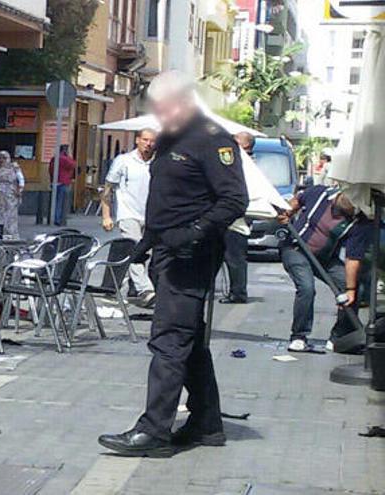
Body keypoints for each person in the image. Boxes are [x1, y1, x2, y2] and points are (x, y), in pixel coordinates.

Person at [98, 71, 248, 457]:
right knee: (190, 342)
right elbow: (166, 198)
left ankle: (154, 431)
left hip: (191, 255)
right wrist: (148, 242)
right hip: (165, 250)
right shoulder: (170, 139)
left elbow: (234, 200)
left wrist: (194, 232)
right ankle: (206, 424)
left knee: (169, 340)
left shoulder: (212, 140)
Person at [277, 185, 372, 353]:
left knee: (353, 289)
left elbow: (352, 258)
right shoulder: (319, 193)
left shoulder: (359, 222)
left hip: (325, 259)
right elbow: (297, 200)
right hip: (295, 249)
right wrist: (287, 212)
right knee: (306, 288)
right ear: (339, 195)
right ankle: (299, 336)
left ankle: (338, 337)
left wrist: (350, 290)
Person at [101, 128, 157, 308]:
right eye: (145, 140)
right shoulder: (123, 161)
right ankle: (146, 290)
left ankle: (131, 289)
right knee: (135, 250)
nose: (149, 144)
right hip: (128, 214)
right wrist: (106, 216)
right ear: (137, 140)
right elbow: (107, 189)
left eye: (152, 141)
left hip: (151, 216)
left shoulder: (158, 162)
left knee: (147, 255)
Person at [219, 132, 255, 304]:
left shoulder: (247, 166)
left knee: (235, 259)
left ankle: (238, 293)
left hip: (237, 219)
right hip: (228, 217)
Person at [48, 145, 76, 226]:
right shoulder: (65, 159)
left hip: (55, 182)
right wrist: (70, 156)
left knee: (55, 201)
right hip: (63, 182)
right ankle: (58, 219)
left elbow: (50, 170)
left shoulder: (54, 158)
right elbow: (73, 165)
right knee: (60, 202)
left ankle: (53, 217)